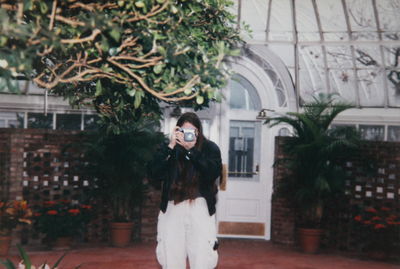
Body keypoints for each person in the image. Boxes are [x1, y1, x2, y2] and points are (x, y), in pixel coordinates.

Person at [152, 112, 222, 269]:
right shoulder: (169, 149)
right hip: (172, 207)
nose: (187, 136)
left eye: (192, 132)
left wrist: (192, 151)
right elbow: (154, 173)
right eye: (183, 131)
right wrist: (170, 147)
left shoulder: (209, 148)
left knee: (202, 258)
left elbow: (213, 173)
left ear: (198, 132)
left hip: (200, 207)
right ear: (177, 131)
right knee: (171, 257)